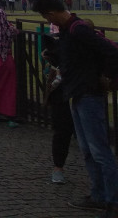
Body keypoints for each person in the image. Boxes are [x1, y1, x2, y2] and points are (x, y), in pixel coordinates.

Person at [33, 0, 118, 215]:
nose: (46, 21)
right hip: (77, 94)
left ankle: (112, 199)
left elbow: (111, 51)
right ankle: (99, 195)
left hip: (89, 94)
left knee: (100, 151)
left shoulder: (78, 29)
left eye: (45, 16)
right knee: (88, 150)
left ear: (50, 13)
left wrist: (107, 77)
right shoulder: (69, 31)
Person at [41, 35, 75, 185]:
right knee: (62, 130)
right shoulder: (59, 45)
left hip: (76, 90)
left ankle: (58, 168)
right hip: (62, 93)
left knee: (63, 130)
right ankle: (58, 167)